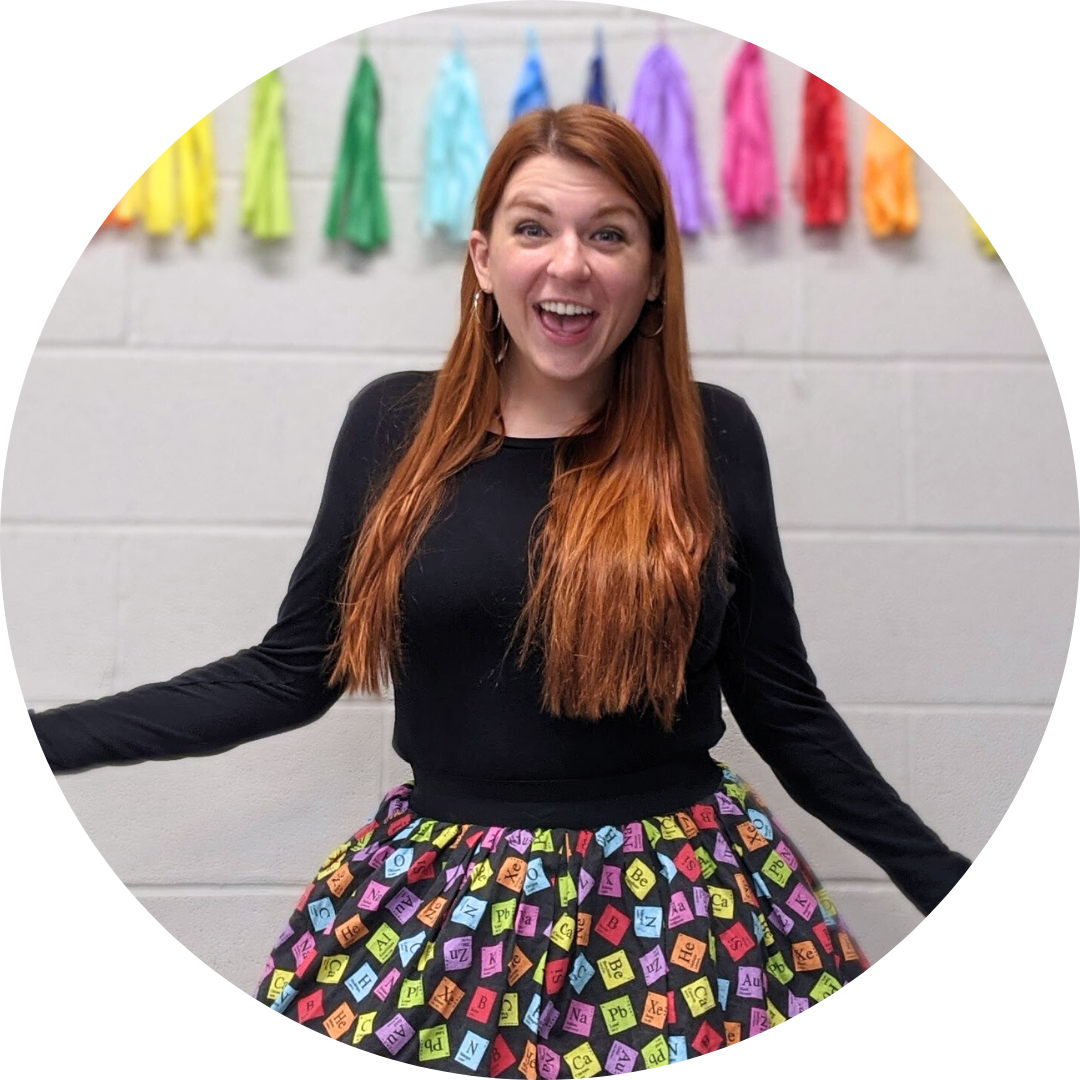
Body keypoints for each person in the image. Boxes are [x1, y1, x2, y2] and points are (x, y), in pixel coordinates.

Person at [29, 105, 971, 1068]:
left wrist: (937, 875)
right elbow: (290, 672)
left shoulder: (711, 433)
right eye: (534, 229)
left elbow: (784, 707)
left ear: (654, 272)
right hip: (443, 895)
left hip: (679, 905)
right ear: (483, 258)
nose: (570, 264)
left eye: (609, 235)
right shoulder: (394, 425)